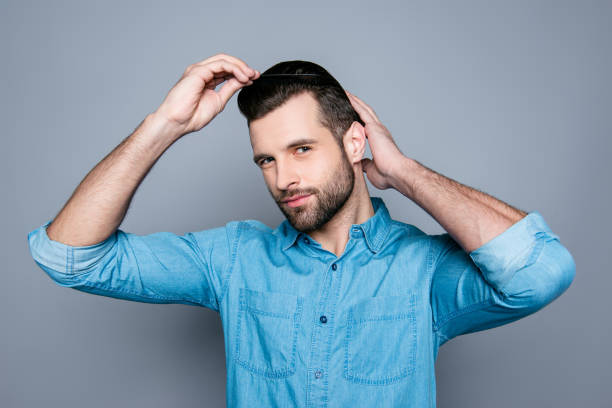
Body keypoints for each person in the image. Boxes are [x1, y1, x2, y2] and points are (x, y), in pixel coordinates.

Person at [27, 53, 576, 407]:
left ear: (355, 144)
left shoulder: (424, 270)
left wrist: (404, 172)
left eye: (302, 149)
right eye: (265, 160)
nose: (283, 178)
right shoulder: (234, 258)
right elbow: (70, 257)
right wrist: (163, 127)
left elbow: (541, 273)